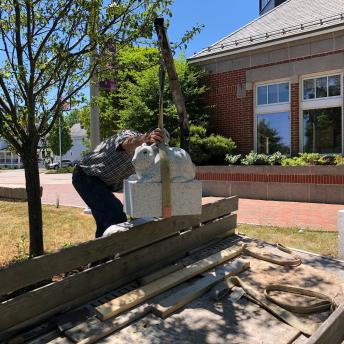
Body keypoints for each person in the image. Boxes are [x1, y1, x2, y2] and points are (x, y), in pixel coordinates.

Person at [72, 128, 165, 238]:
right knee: (114, 215)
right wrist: (144, 139)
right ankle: (105, 251)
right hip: (85, 174)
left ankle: (106, 246)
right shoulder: (131, 135)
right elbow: (127, 143)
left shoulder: (152, 158)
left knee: (129, 214)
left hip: (104, 181)